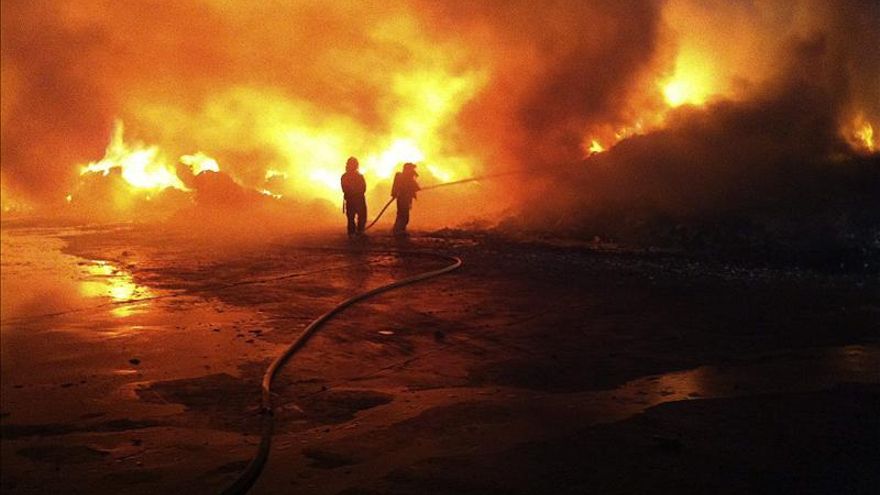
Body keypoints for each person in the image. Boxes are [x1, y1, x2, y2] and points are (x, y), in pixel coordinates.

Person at [391, 162, 420, 236]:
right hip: (403, 199)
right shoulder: (404, 177)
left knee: (402, 214)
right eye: (412, 169)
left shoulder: (406, 177)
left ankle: (399, 230)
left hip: (405, 199)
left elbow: (416, 187)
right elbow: (414, 186)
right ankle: (398, 230)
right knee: (403, 215)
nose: (413, 170)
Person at [340, 156, 367, 236]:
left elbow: (344, 189)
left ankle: (354, 232)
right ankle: (358, 232)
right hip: (357, 199)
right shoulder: (359, 176)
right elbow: (363, 188)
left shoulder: (345, 176)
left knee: (352, 217)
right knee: (359, 216)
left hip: (352, 199)